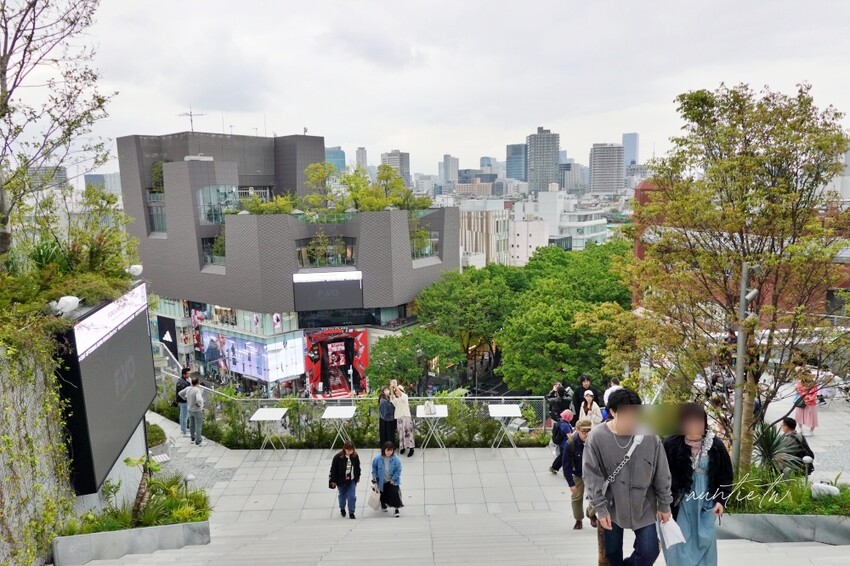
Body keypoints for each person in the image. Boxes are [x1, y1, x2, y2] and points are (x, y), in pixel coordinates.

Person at [583, 387, 672, 566]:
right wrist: (600, 508)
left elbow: (662, 471)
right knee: (612, 553)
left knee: (650, 552)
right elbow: (591, 475)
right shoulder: (597, 437)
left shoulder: (649, 437)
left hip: (644, 503)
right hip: (611, 505)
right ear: (613, 412)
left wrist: (664, 503)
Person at [662, 403, 733, 566]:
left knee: (704, 548)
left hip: (705, 503)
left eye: (699, 422)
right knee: (679, 547)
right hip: (680, 504)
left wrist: (721, 501)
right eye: (690, 422)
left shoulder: (715, 445)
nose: (695, 427)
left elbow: (725, 475)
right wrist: (662, 504)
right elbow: (661, 476)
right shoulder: (670, 444)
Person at [563, 418, 596, 530]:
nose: (586, 434)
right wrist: (570, 483)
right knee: (577, 498)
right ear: (577, 430)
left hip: (593, 474)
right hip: (578, 473)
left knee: (598, 496)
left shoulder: (595, 440)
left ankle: (591, 513)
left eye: (589, 431)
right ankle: (578, 519)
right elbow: (566, 464)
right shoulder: (571, 443)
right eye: (583, 431)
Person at [329, 440, 361, 519]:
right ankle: (342, 508)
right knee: (342, 497)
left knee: (352, 497)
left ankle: (351, 512)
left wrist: (358, 476)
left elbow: (357, 467)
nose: (349, 451)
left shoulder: (355, 456)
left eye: (351, 449)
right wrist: (333, 480)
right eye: (347, 449)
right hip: (341, 481)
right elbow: (333, 470)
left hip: (352, 480)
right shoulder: (337, 457)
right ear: (344, 449)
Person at [371, 441, 403, 517]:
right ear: (384, 450)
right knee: (382, 493)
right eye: (387, 450)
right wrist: (374, 476)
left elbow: (398, 470)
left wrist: (393, 479)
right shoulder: (377, 458)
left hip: (392, 480)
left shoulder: (396, 460)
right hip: (381, 480)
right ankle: (383, 504)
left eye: (391, 450)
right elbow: (374, 467)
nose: (389, 452)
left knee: (395, 493)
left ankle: (396, 509)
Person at [179, 377, 206, 446]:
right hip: (197, 410)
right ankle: (198, 441)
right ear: (198, 383)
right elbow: (199, 400)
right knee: (198, 425)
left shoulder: (188, 388)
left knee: (192, 424)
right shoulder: (197, 390)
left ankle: (192, 439)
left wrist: (186, 398)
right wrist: (200, 405)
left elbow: (180, 393)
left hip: (190, 409)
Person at [391, 385, 415, 457]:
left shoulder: (405, 396)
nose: (397, 392)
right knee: (401, 433)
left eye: (399, 390)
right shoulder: (395, 399)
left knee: (409, 433)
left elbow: (401, 394)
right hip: (399, 417)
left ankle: (411, 448)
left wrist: (396, 387)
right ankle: (403, 447)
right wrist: (392, 389)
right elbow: (392, 398)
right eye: (396, 391)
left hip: (406, 416)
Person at [548, 409, 574, 474]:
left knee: (562, 456)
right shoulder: (565, 425)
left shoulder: (560, 421)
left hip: (561, 443)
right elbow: (570, 437)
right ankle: (566, 472)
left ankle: (554, 467)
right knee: (566, 459)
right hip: (565, 444)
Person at [175, 368, 191, 436]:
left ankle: (183, 429)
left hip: (181, 401)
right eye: (188, 373)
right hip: (184, 402)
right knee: (184, 416)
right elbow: (183, 393)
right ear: (184, 374)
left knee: (182, 415)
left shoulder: (181, 380)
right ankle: (184, 432)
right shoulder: (183, 383)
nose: (189, 374)